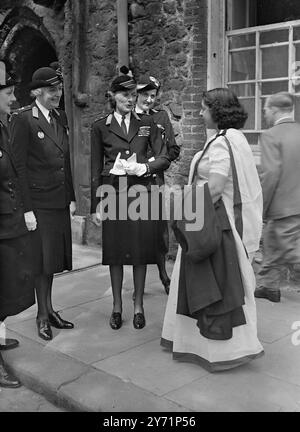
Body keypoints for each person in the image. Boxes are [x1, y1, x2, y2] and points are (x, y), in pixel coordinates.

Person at [161, 88, 264, 372]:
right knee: (224, 283)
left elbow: (216, 188)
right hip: (214, 218)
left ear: (216, 111)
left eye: (205, 108)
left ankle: (217, 350)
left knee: (212, 284)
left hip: (214, 224)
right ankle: (209, 344)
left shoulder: (221, 143)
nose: (201, 113)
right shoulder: (235, 138)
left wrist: (181, 200)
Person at [91, 71, 170, 330]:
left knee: (139, 252)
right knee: (115, 253)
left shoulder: (147, 122)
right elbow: (94, 168)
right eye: (125, 94)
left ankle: (138, 306)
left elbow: (164, 156)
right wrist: (95, 205)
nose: (130, 98)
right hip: (113, 194)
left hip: (140, 194)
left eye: (132, 94)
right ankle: (116, 306)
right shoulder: (100, 126)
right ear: (113, 96)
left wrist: (145, 168)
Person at [9, 67, 76, 341]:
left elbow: (65, 160)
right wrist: (26, 210)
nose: (57, 95)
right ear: (37, 92)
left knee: (52, 261)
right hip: (38, 203)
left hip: (58, 200)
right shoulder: (24, 120)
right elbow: (18, 168)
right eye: (51, 91)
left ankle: (49, 310)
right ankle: (41, 316)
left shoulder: (59, 116)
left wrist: (71, 196)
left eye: (58, 89)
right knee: (40, 262)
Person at [0, 61, 35, 387]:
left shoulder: (2, 126)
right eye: (8, 92)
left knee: (9, 288)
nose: (13, 98)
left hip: (7, 224)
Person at [134, 75, 180, 294]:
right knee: (137, 234)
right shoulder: (128, 118)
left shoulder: (161, 117)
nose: (149, 100)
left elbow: (173, 149)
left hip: (155, 183)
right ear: (136, 94)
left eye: (153, 96)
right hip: (132, 184)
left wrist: (159, 162)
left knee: (159, 233)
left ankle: (163, 275)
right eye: (145, 95)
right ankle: (138, 285)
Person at [255, 92, 300, 302]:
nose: (264, 113)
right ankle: (268, 287)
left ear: (274, 110)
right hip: (294, 204)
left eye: (265, 109)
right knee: (273, 244)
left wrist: (261, 208)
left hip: (284, 206)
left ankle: (268, 286)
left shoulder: (271, 135)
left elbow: (270, 174)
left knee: (291, 251)